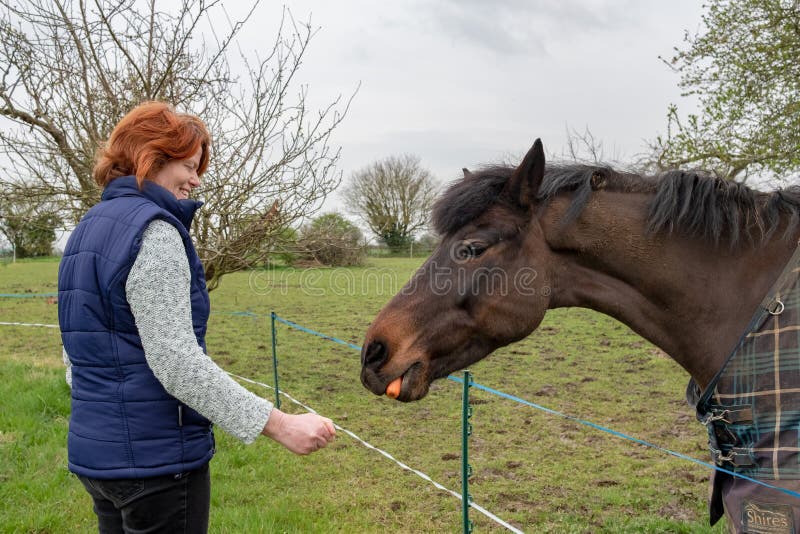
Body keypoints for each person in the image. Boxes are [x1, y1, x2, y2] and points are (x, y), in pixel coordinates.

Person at [58, 101, 336, 533]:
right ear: (151, 158)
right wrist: (280, 425)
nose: (196, 179)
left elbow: (74, 354)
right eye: (187, 165)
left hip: (98, 460)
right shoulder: (154, 232)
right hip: (158, 465)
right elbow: (176, 363)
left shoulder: (87, 229)